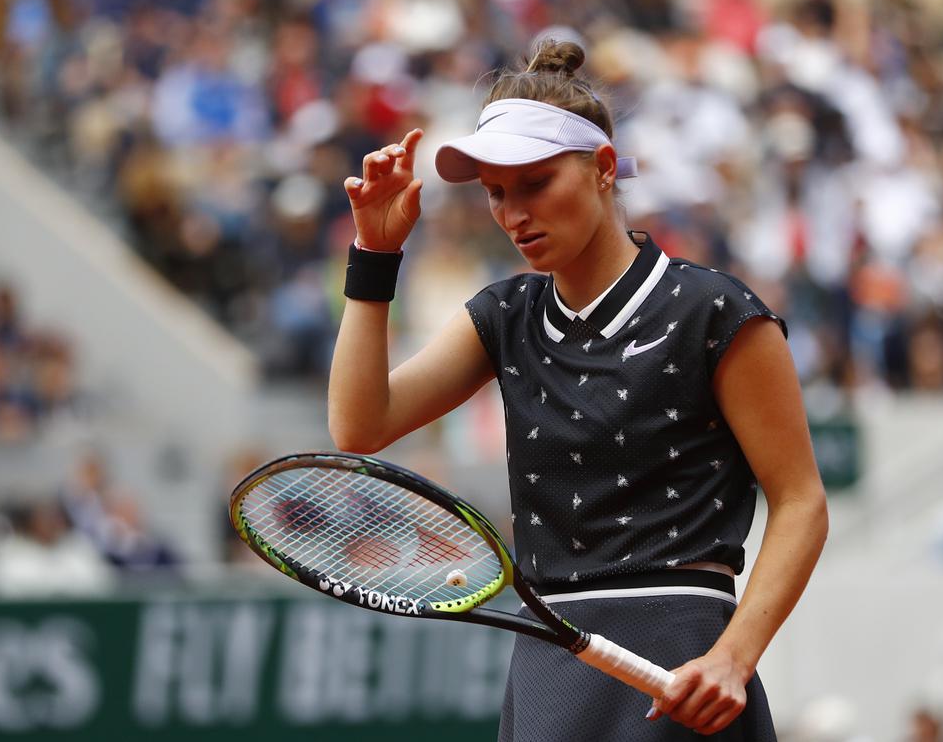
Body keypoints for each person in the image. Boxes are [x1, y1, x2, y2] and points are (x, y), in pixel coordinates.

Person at [327, 40, 828, 740]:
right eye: (496, 193)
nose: (512, 215)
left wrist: (732, 658)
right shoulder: (503, 315)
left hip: (682, 661)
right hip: (549, 660)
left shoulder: (713, 312)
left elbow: (802, 501)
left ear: (601, 170)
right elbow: (360, 425)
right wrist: (374, 258)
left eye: (534, 184)